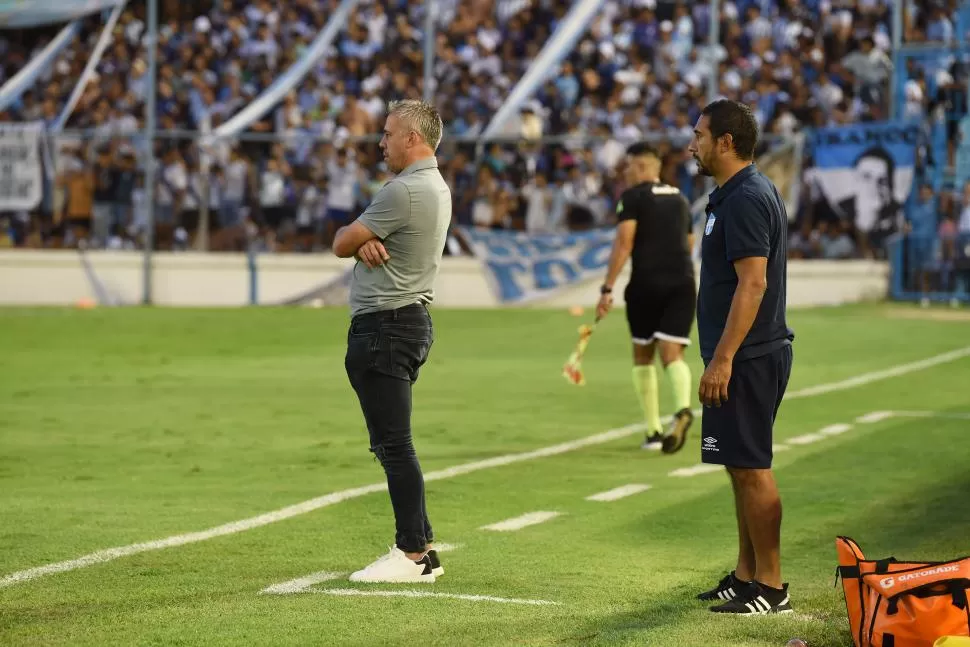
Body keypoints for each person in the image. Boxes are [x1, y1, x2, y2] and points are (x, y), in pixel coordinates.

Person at [331, 100, 452, 584]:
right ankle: (423, 547)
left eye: (387, 133)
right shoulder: (433, 186)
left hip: (386, 325)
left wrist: (357, 239)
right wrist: (365, 239)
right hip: (404, 322)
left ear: (412, 139)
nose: (380, 142)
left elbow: (339, 240)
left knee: (396, 446)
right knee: (390, 444)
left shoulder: (403, 191)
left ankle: (412, 554)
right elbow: (355, 240)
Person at [688, 99, 795, 615]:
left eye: (701, 135)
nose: (693, 145)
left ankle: (772, 587)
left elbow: (753, 284)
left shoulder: (747, 196)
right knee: (738, 463)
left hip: (748, 356)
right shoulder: (732, 194)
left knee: (752, 466)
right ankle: (748, 574)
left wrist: (723, 358)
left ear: (725, 141)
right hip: (739, 353)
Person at [596, 142, 696, 453]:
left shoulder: (632, 197)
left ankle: (653, 431)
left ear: (641, 167)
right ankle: (682, 409)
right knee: (672, 354)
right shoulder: (680, 199)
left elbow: (624, 243)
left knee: (643, 355)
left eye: (628, 166)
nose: (625, 173)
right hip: (682, 283)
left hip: (646, 285)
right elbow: (690, 242)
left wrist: (607, 288)